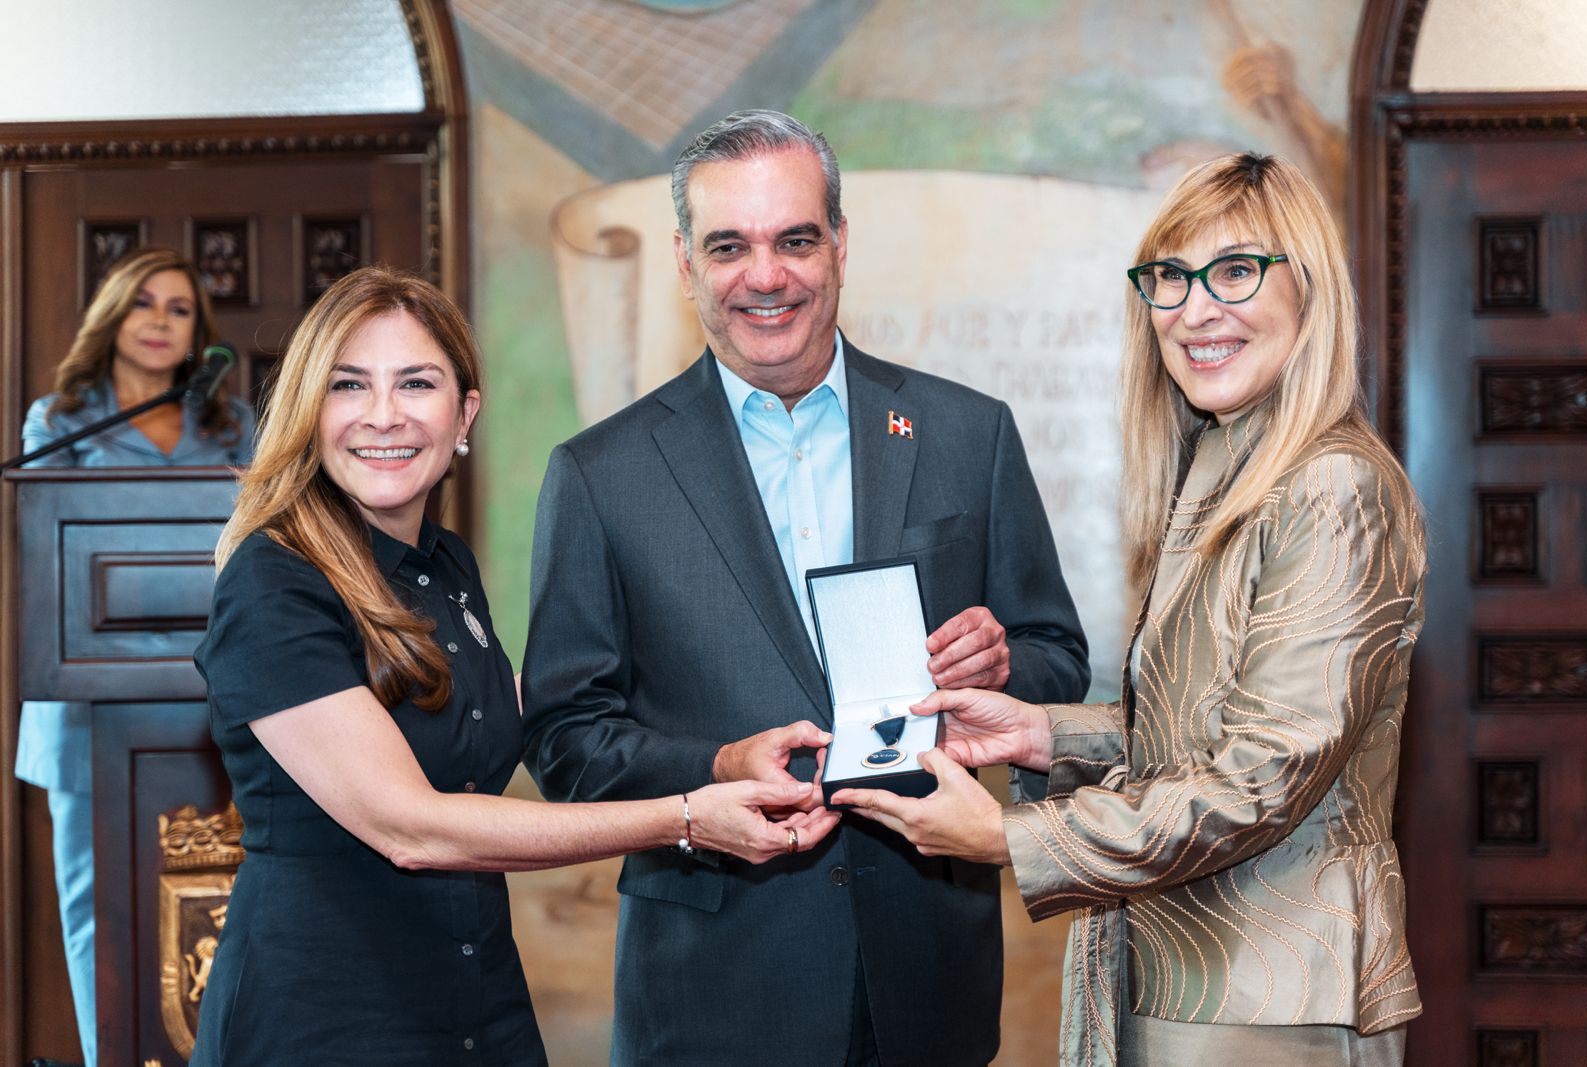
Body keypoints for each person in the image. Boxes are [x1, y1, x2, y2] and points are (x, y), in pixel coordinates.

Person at [521, 109, 1090, 1066]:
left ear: (838, 243)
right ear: (684, 260)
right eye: (729, 245)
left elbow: (1056, 660)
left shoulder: (965, 433)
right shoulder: (599, 474)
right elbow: (564, 742)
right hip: (711, 987)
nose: (767, 276)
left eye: (795, 239)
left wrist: (1002, 663)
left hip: (927, 980)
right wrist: (715, 765)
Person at [836, 153, 1426, 1066]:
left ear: (1309, 293)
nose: (1195, 310)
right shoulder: (1228, 462)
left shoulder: (1333, 485)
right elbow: (1204, 727)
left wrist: (1009, 834)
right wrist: (1043, 734)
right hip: (1184, 970)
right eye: (1170, 279)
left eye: (1235, 271)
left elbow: (1262, 778)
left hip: (1272, 991)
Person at [189, 266, 836, 1064]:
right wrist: (688, 815)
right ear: (309, 409)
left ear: (464, 413)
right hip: (326, 1020)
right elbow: (411, 826)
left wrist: (723, 753)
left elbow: (521, 708)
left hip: (477, 1008)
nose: (383, 415)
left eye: (416, 383)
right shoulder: (273, 579)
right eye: (349, 385)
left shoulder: (444, 563)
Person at [14, 247, 254, 1066]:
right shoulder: (59, 419)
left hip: (208, 696)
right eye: (144, 302)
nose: (159, 319)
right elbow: (45, 546)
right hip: (90, 701)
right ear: (111, 315)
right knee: (102, 910)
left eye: (179, 308)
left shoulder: (234, 425)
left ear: (198, 333)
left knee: (223, 898)